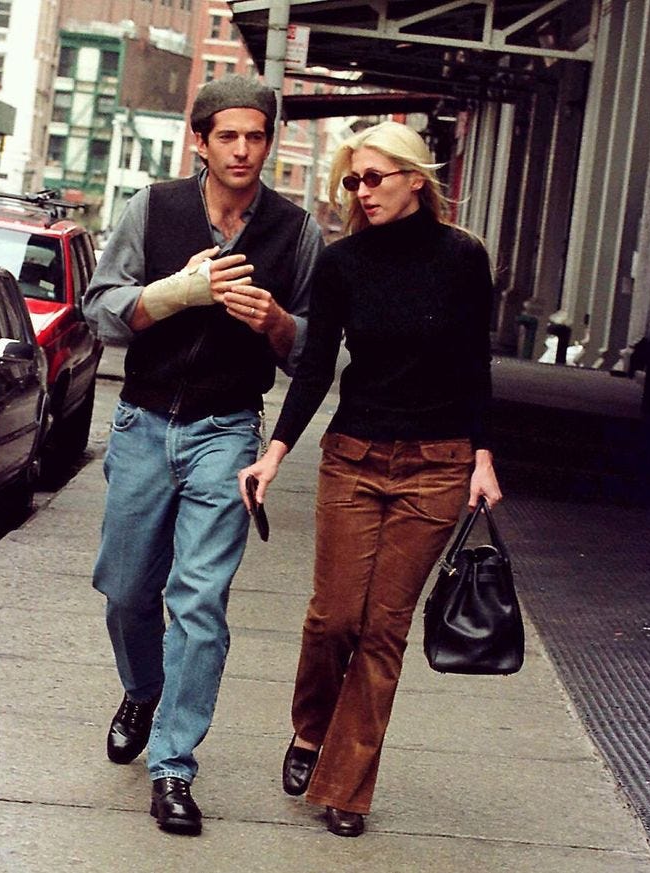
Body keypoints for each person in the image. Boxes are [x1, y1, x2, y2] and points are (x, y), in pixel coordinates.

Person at [239, 120, 502, 838]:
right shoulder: (342, 262)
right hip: (354, 457)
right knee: (334, 619)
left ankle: (346, 789)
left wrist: (483, 457)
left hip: (437, 465)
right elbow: (314, 365)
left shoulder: (463, 258)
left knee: (383, 629)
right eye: (353, 180)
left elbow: (474, 365)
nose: (361, 191)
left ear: (416, 178)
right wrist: (275, 451)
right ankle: (309, 728)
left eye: (374, 178)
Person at [84, 75, 323, 837]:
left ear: (269, 141)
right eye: (228, 136)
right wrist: (176, 293)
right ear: (201, 140)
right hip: (143, 421)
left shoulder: (294, 231)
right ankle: (142, 688)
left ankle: (173, 765)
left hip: (227, 430)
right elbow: (101, 309)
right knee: (126, 588)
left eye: (256, 135)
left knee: (198, 601)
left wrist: (277, 322)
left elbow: (315, 350)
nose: (243, 149)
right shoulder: (153, 208)